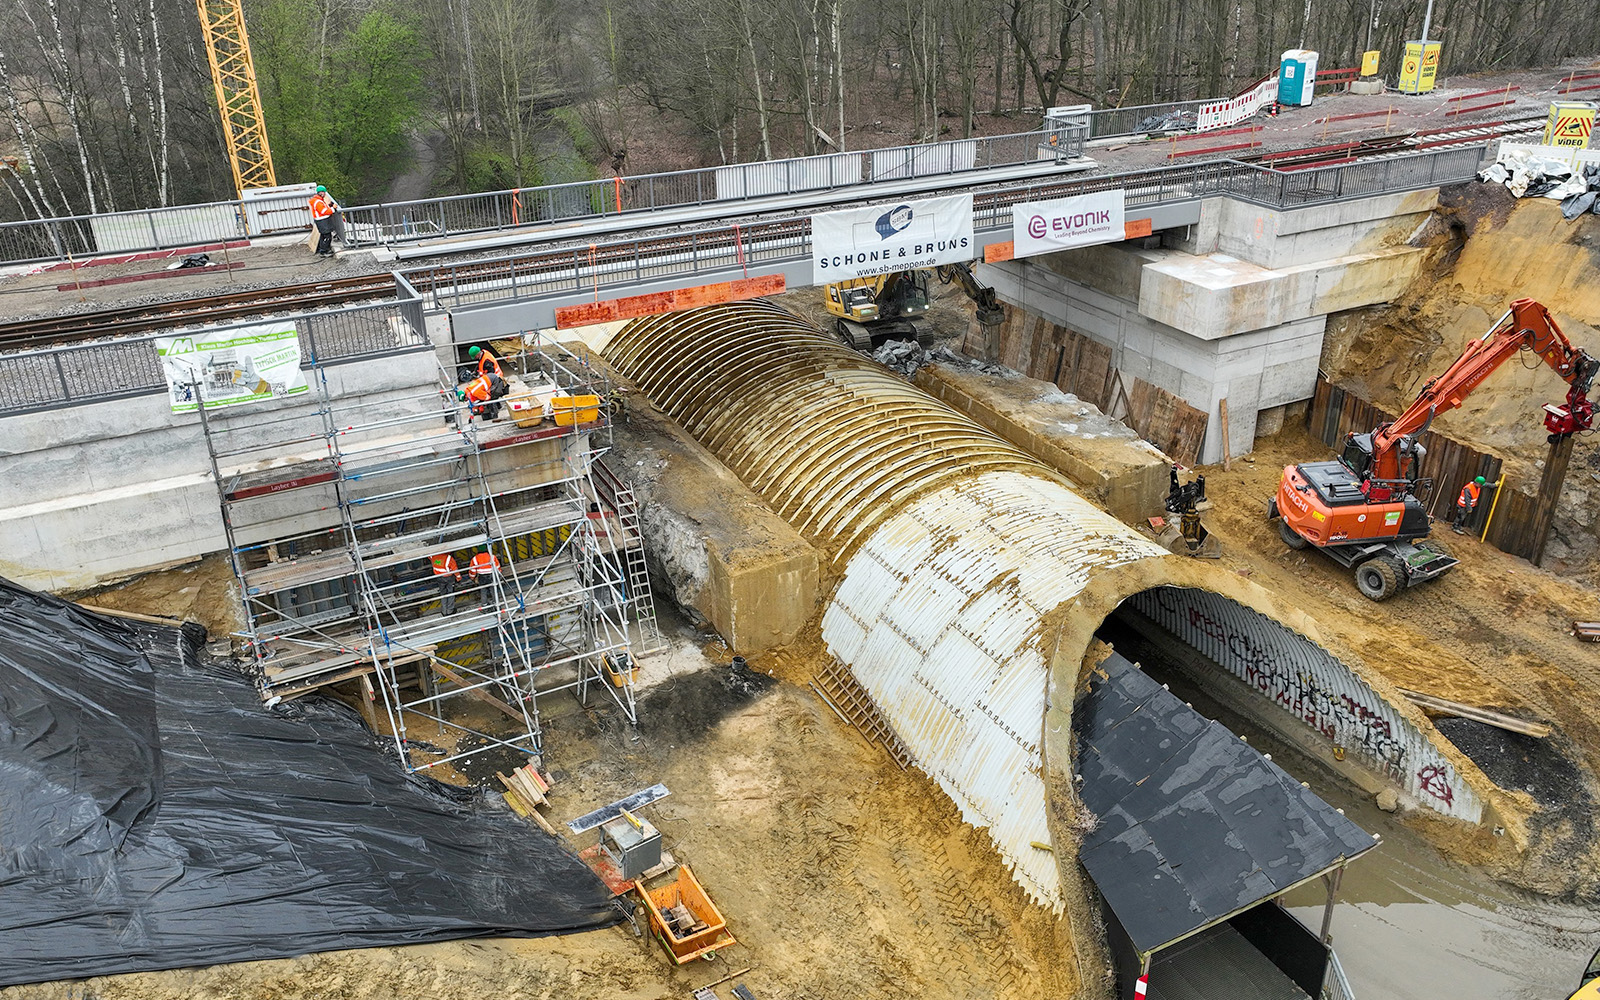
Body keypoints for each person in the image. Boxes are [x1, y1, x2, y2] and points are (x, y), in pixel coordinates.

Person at [309, 185, 338, 258]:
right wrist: (333, 209)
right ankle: (324, 251)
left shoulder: (318, 200)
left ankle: (324, 250)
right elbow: (324, 211)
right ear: (321, 193)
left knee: (323, 236)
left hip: (321, 221)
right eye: (324, 192)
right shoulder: (318, 202)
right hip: (322, 221)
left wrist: (330, 206)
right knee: (327, 236)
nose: (325, 194)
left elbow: (323, 208)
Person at [430, 551, 462, 616]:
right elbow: (455, 569)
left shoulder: (433, 556)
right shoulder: (448, 558)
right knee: (450, 593)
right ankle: (450, 611)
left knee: (443, 594)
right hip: (449, 578)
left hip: (439, 578)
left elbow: (434, 559)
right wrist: (458, 578)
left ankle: (444, 611)